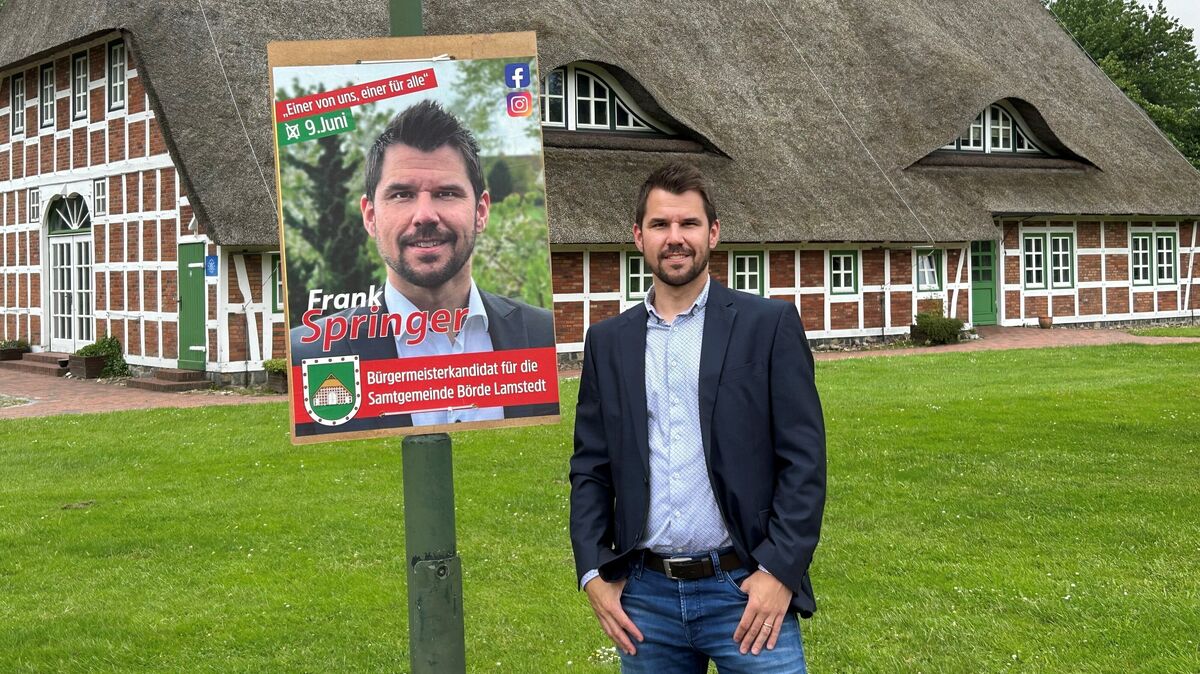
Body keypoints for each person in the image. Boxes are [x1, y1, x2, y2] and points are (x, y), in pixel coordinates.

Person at [570, 162, 826, 672]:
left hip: (744, 590)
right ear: (638, 236)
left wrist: (779, 570)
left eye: (688, 224)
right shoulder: (608, 342)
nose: (675, 238)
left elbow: (803, 461)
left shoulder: (768, 325)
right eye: (661, 225)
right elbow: (591, 468)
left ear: (713, 233)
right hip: (645, 598)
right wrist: (593, 571)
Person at [290, 100, 557, 434]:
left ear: (481, 211)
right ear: (371, 217)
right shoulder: (308, 355)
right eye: (402, 194)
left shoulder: (543, 337)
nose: (425, 215)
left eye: (446, 193)